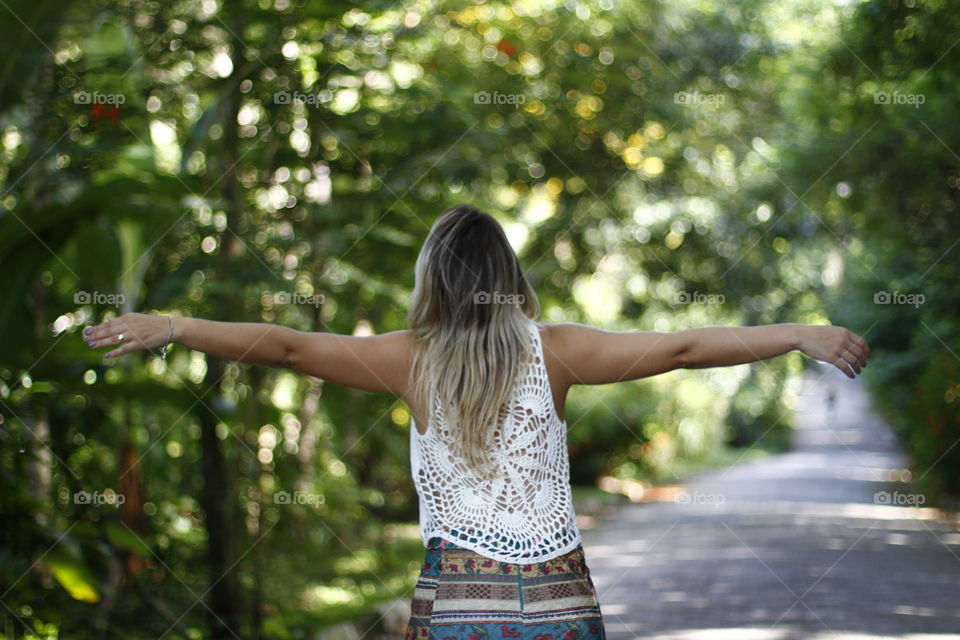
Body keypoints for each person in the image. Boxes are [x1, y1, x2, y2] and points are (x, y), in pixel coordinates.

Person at [81, 203, 870, 638]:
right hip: (561, 605)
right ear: (509, 276)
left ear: (434, 279)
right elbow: (686, 346)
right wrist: (798, 333)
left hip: (459, 606)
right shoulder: (558, 350)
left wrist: (176, 325)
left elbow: (286, 347)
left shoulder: (408, 359)